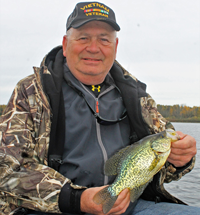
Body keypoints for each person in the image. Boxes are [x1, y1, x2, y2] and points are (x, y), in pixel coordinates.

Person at [0, 2, 198, 215]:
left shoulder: (137, 97)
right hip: (56, 209)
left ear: (115, 46)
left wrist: (180, 159)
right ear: (66, 45)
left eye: (104, 39)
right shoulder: (31, 92)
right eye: (83, 37)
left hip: (129, 208)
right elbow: (9, 169)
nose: (93, 48)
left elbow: (161, 167)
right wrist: (77, 199)